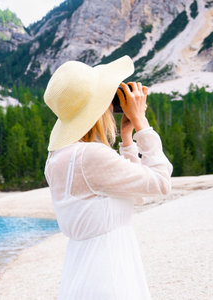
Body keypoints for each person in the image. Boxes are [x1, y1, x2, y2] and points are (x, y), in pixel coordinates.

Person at [44, 55, 173, 299]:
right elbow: (160, 182)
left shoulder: (57, 158)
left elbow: (132, 193)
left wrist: (127, 138)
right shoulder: (90, 156)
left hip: (83, 269)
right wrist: (141, 123)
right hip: (110, 272)